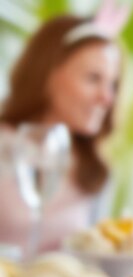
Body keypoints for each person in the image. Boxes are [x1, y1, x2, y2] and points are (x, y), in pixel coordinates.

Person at [0, 13, 123, 253]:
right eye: (93, 78)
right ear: (47, 74)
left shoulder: (95, 168)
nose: (107, 98)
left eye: (113, 84)